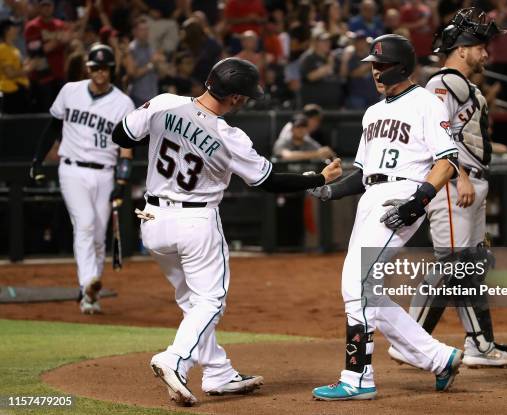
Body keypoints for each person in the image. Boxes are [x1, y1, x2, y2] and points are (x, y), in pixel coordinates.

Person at [110, 57, 342, 406]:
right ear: (234, 97)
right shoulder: (229, 136)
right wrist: (318, 178)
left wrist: (172, 134)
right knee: (210, 302)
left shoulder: (163, 103)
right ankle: (175, 359)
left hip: (153, 219)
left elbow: (120, 134)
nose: (246, 101)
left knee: (192, 302)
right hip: (195, 223)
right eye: (245, 96)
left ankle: (218, 373)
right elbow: (269, 182)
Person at [309, 34, 462, 400]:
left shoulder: (426, 102)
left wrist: (417, 202)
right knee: (371, 293)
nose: (376, 72)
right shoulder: (372, 111)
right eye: (373, 66)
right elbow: (362, 175)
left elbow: (447, 162)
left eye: (383, 65)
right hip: (371, 198)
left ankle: (358, 377)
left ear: (404, 66)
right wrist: (330, 190)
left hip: (402, 195)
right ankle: (439, 358)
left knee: (355, 284)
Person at [388, 8, 507, 369]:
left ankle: (480, 344)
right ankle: (409, 340)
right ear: (462, 49)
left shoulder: (461, 85)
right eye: (480, 47)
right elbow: (439, 136)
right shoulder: (441, 83)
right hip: (452, 185)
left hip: (469, 182)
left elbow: (465, 133)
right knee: (453, 266)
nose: (485, 54)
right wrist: (458, 174)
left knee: (471, 267)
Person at [29, 44, 135, 314]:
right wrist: (37, 160)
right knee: (86, 224)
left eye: (105, 68)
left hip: (104, 173)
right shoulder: (70, 91)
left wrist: (122, 183)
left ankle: (90, 295)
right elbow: (53, 127)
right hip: (72, 169)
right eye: (95, 67)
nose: (100, 72)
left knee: (99, 236)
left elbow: (126, 147)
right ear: (88, 68)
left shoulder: (123, 103)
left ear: (112, 70)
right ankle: (87, 280)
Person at [0, 17, 30, 113]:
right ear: (7, 30)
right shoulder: (3, 49)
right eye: (14, 27)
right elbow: (10, 73)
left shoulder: (13, 49)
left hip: (19, 90)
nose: (17, 30)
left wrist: (28, 63)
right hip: (10, 92)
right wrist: (29, 69)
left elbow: (18, 67)